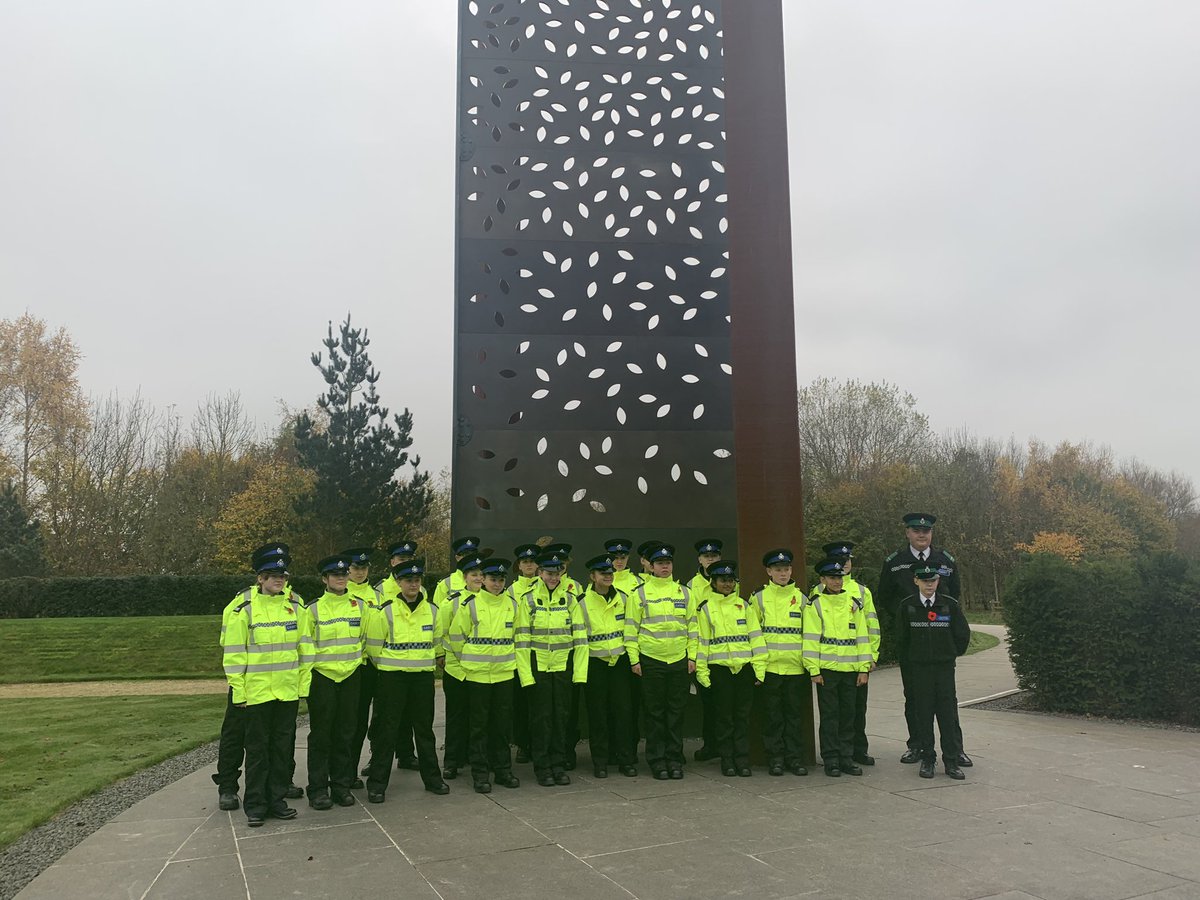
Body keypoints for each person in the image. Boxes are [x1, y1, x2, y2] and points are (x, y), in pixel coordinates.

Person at [221, 549, 309, 826]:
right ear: (260, 578)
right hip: (257, 694)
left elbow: (305, 649)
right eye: (272, 576)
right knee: (258, 752)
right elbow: (234, 656)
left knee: (282, 749)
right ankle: (256, 805)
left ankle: (277, 800)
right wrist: (239, 692)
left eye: (282, 576)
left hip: (286, 691)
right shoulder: (243, 610)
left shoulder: (297, 607)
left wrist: (302, 687)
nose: (278, 581)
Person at [876, 513, 971, 767]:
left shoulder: (945, 561)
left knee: (947, 699)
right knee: (915, 697)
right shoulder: (895, 562)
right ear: (907, 532)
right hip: (913, 643)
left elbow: (955, 596)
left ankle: (956, 749)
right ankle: (917, 745)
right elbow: (885, 597)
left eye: (926, 531)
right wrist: (905, 617)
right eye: (916, 530)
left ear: (931, 534)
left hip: (940, 642)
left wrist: (952, 644)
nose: (921, 535)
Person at [363, 557, 450, 801]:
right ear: (399, 582)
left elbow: (436, 643)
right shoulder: (386, 611)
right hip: (393, 680)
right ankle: (377, 784)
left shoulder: (432, 611)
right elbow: (373, 648)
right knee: (386, 731)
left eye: (417, 580)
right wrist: (392, 666)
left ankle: (433, 779)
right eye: (408, 580)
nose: (413, 584)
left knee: (424, 731)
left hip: (422, 680)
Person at [448, 557, 522, 793]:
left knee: (501, 726)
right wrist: (468, 661)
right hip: (477, 676)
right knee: (478, 726)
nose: (497, 584)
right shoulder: (469, 605)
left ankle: (502, 770)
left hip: (503, 675)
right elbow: (456, 638)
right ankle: (480, 773)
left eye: (501, 580)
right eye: (492, 579)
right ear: (483, 580)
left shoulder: (512, 605)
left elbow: (518, 638)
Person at [298, 554, 366, 810]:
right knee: (321, 735)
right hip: (323, 678)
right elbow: (305, 647)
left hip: (350, 676)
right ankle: (317, 789)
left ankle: (340, 785)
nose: (340, 579)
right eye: (335, 575)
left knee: (346, 732)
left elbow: (366, 640)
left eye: (343, 574)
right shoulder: (312, 609)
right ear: (325, 579)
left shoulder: (360, 606)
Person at [516, 549, 588, 786]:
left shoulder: (569, 600)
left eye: (557, 573)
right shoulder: (527, 600)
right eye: (549, 573)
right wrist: (526, 676)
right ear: (539, 572)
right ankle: (543, 767)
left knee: (561, 718)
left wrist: (579, 673)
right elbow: (522, 642)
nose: (553, 577)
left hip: (563, 667)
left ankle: (558, 765)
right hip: (538, 668)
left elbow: (580, 640)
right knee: (541, 719)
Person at [625, 543, 697, 780]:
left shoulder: (685, 593)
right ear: (651, 567)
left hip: (678, 660)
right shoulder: (640, 594)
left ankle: (675, 759)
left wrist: (692, 657)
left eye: (667, 563)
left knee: (676, 712)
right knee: (654, 714)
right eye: (659, 564)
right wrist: (635, 660)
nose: (664, 567)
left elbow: (693, 629)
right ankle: (657, 761)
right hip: (650, 660)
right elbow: (631, 630)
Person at [895, 564, 971, 780]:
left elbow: (962, 634)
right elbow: (901, 639)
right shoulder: (907, 606)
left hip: (944, 669)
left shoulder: (949, 605)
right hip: (919, 670)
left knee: (947, 715)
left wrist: (950, 654)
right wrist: (912, 661)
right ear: (916, 581)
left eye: (933, 580)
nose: (929, 585)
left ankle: (952, 761)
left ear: (938, 581)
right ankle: (928, 758)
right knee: (923, 714)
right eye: (924, 580)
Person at [802, 558, 875, 778]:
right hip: (827, 671)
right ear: (822, 579)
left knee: (848, 716)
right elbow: (811, 639)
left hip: (851, 670)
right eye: (832, 578)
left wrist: (864, 668)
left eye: (839, 577)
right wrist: (813, 669)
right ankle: (831, 759)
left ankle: (847, 757)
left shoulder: (854, 604)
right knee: (830, 717)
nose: (837, 581)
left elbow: (862, 637)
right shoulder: (815, 604)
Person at [695, 560, 767, 777]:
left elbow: (756, 638)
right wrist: (702, 671)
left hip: (743, 669)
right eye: (722, 580)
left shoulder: (745, 606)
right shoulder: (705, 608)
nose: (727, 584)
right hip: (719, 670)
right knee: (724, 718)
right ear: (713, 582)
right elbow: (702, 642)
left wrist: (759, 668)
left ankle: (742, 760)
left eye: (730, 580)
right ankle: (727, 760)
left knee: (742, 717)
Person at [815, 541, 879, 767]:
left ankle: (856, 751)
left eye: (847, 561)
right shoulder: (817, 593)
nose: (844, 566)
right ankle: (836, 755)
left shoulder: (861, 591)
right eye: (839, 562)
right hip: (830, 664)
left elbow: (871, 626)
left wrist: (871, 657)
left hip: (856, 661)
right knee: (834, 713)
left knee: (856, 710)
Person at [577, 554, 638, 777]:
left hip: (620, 664)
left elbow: (630, 631)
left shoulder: (623, 598)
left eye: (610, 573)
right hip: (595, 664)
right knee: (598, 715)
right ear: (592, 576)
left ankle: (625, 760)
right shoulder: (581, 602)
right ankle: (600, 762)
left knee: (623, 713)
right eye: (603, 574)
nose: (608, 577)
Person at [751, 548, 809, 776]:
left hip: (795, 669)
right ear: (769, 571)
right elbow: (753, 635)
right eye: (778, 570)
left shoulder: (802, 599)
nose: (783, 573)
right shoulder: (758, 598)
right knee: (772, 718)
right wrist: (758, 668)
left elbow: (810, 635)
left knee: (794, 718)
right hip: (770, 669)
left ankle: (795, 759)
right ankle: (775, 759)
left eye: (786, 569)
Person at [367, 541, 422, 773]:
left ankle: (406, 754)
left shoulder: (420, 588)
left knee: (408, 712)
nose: (404, 563)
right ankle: (376, 758)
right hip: (382, 659)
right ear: (392, 562)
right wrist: (382, 661)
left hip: (410, 661)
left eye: (408, 559)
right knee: (383, 715)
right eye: (400, 560)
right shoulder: (380, 589)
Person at [437, 553, 485, 780]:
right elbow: (440, 631)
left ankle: (476, 757)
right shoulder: (452, 602)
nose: (478, 578)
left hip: (482, 670)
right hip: (455, 668)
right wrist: (440, 655)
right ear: (464, 577)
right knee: (456, 715)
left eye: (481, 574)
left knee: (479, 716)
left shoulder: (491, 599)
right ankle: (452, 761)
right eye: (473, 574)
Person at [688, 538, 724, 763]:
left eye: (714, 556)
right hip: (703, 652)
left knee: (726, 703)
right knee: (708, 703)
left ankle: (725, 745)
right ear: (699, 559)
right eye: (706, 556)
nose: (710, 559)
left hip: (728, 652)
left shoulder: (730, 581)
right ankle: (711, 744)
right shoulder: (692, 586)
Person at [509, 542, 542, 764]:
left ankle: (539, 743)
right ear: (519, 566)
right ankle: (523, 745)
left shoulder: (547, 586)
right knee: (521, 704)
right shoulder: (510, 590)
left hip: (542, 654)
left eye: (532, 561)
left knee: (540, 705)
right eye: (525, 562)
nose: (529, 565)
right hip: (518, 654)